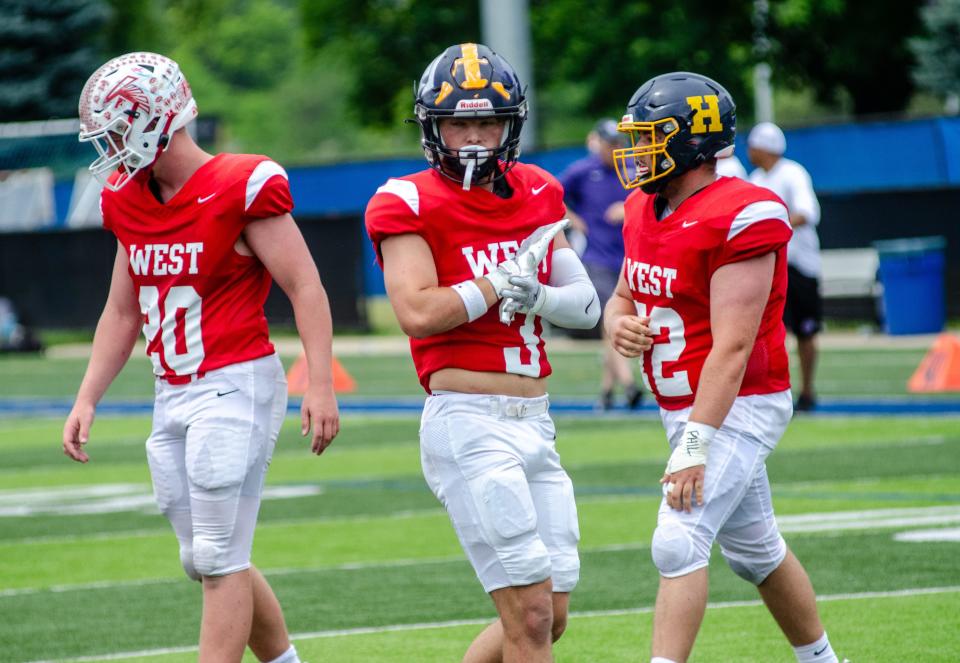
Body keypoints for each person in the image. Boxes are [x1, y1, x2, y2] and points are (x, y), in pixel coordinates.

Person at [62, 52, 340, 663]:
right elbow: (122, 311)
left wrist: (320, 383)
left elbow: (305, 286)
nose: (108, 147)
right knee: (207, 558)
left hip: (236, 382)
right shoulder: (127, 199)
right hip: (173, 388)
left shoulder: (240, 183)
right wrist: (87, 396)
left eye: (114, 130)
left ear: (149, 122)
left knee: (219, 555)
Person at [365, 43, 599, 663]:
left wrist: (539, 292)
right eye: (459, 122)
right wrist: (495, 283)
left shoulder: (539, 191)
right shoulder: (405, 200)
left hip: (536, 420)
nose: (473, 136)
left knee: (551, 616)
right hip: (468, 419)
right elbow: (415, 311)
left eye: (487, 121)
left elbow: (587, 305)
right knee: (527, 615)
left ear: (511, 125)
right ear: (432, 128)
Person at [604, 72, 844, 663]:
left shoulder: (744, 212)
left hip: (740, 403)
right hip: (683, 402)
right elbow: (622, 297)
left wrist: (695, 443)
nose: (636, 152)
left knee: (677, 539)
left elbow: (734, 348)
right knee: (756, 552)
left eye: (650, 137)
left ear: (690, 141)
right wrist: (617, 322)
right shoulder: (643, 208)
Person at [558, 119, 643, 410]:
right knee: (611, 320)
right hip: (596, 257)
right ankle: (630, 385)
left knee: (613, 325)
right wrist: (575, 220)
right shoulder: (583, 171)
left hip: (627, 256)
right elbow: (555, 196)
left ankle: (607, 390)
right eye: (610, 143)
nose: (615, 148)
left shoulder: (632, 169)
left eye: (619, 143)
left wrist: (629, 206)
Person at [747, 122, 823, 411]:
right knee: (768, 330)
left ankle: (807, 389)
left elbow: (807, 212)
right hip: (768, 265)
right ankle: (774, 391)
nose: (750, 151)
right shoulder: (756, 178)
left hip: (799, 263)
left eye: (754, 145)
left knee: (806, 330)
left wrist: (772, 228)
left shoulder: (792, 173)